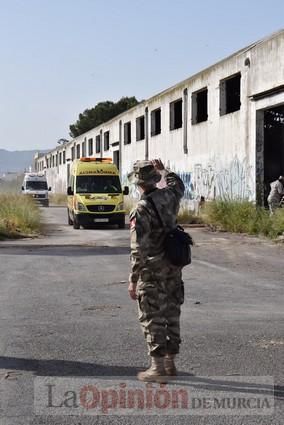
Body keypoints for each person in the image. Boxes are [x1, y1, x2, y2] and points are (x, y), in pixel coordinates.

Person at [128, 159, 185, 383]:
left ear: (139, 185)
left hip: (152, 270)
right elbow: (178, 184)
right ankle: (171, 362)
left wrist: (133, 279)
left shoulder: (141, 209)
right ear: (155, 179)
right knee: (172, 312)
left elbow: (138, 248)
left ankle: (157, 367)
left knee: (151, 316)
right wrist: (164, 169)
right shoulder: (171, 196)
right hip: (173, 266)